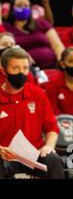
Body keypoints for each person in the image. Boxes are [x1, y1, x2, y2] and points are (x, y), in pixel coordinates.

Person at [0, 47, 64, 179]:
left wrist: (49, 146)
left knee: (53, 160)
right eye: (16, 68)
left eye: (25, 68)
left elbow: (52, 127)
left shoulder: (38, 94)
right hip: (4, 157)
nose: (21, 73)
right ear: (3, 71)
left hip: (33, 155)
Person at [4, 0, 64, 69]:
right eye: (19, 5)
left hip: (53, 67)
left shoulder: (42, 23)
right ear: (12, 8)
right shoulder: (5, 27)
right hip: (23, 71)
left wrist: (62, 62)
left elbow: (57, 45)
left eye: (26, 5)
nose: (23, 7)